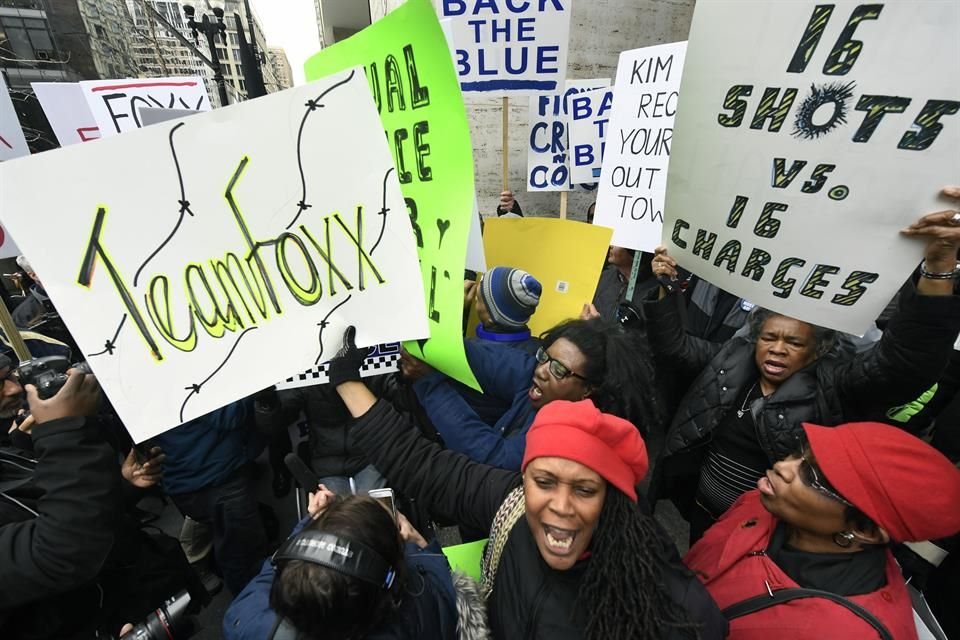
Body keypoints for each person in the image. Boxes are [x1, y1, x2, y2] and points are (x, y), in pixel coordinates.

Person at [327, 345, 728, 640]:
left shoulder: (664, 591)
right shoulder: (512, 502)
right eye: (544, 482)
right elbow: (425, 466)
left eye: (584, 489)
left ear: (612, 496)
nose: (560, 506)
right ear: (524, 479)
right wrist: (347, 381)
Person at [645, 190, 960, 540]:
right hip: (700, 515)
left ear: (816, 351)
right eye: (769, 338)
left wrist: (938, 269)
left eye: (793, 343)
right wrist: (666, 286)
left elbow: (902, 364)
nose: (777, 349)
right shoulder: (731, 360)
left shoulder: (834, 387)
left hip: (766, 537)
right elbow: (675, 348)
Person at [685, 421, 960, 639]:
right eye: (800, 451)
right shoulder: (759, 504)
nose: (783, 467)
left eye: (813, 476)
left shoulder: (845, 632)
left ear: (865, 530)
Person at [400, 317, 661, 470]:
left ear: (588, 390)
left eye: (559, 369)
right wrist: (435, 344)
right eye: (545, 357)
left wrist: (430, 383)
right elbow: (487, 361)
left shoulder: (566, 437)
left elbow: (496, 459)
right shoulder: (539, 380)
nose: (542, 371)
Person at [224, 487, 473, 640]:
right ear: (389, 583)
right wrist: (418, 544)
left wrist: (311, 525)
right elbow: (445, 588)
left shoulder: (243, 619)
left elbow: (274, 569)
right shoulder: (420, 608)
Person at [153, 398, 270, 595]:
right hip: (215, 476)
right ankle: (256, 600)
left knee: (228, 540)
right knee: (244, 553)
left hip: (185, 476)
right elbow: (230, 415)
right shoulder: (187, 383)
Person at [472, 266, 542, 354]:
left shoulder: (478, 354)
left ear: (492, 317)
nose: (475, 299)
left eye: (478, 299)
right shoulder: (538, 349)